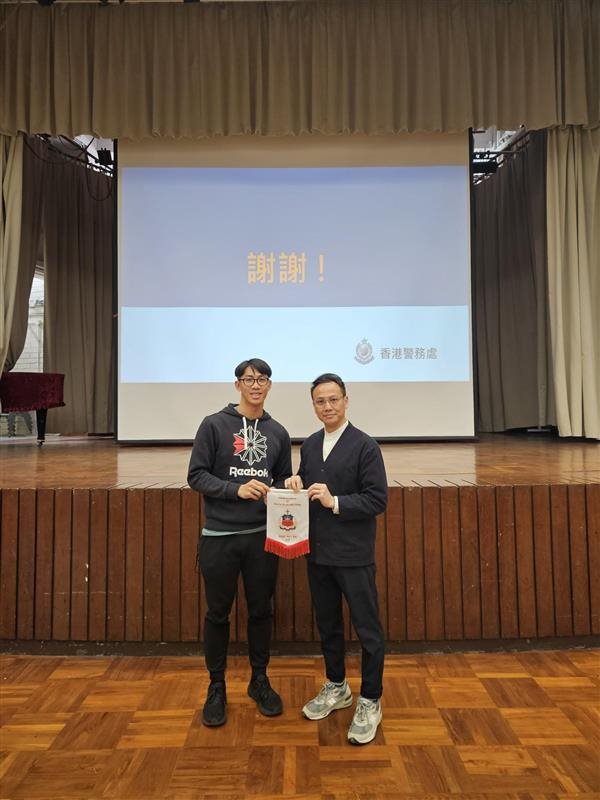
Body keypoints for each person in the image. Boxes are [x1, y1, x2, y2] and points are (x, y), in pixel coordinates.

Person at [188, 358, 292, 727]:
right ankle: (216, 686)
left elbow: (281, 479)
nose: (256, 385)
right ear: (237, 385)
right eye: (249, 379)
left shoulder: (278, 432)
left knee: (261, 612)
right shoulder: (213, 425)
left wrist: (289, 484)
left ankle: (259, 680)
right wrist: (236, 490)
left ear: (269, 385)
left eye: (262, 379)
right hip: (220, 537)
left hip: (262, 537)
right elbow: (196, 476)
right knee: (218, 614)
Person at [285, 373, 387, 745]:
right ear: (313, 405)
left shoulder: (365, 446)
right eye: (320, 401)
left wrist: (336, 502)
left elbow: (377, 499)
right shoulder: (311, 445)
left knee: (368, 631)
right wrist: (295, 483)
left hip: (354, 555)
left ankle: (370, 699)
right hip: (318, 553)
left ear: (346, 400)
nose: (327, 406)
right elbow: (307, 484)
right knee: (328, 625)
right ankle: (337, 685)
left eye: (333, 399)